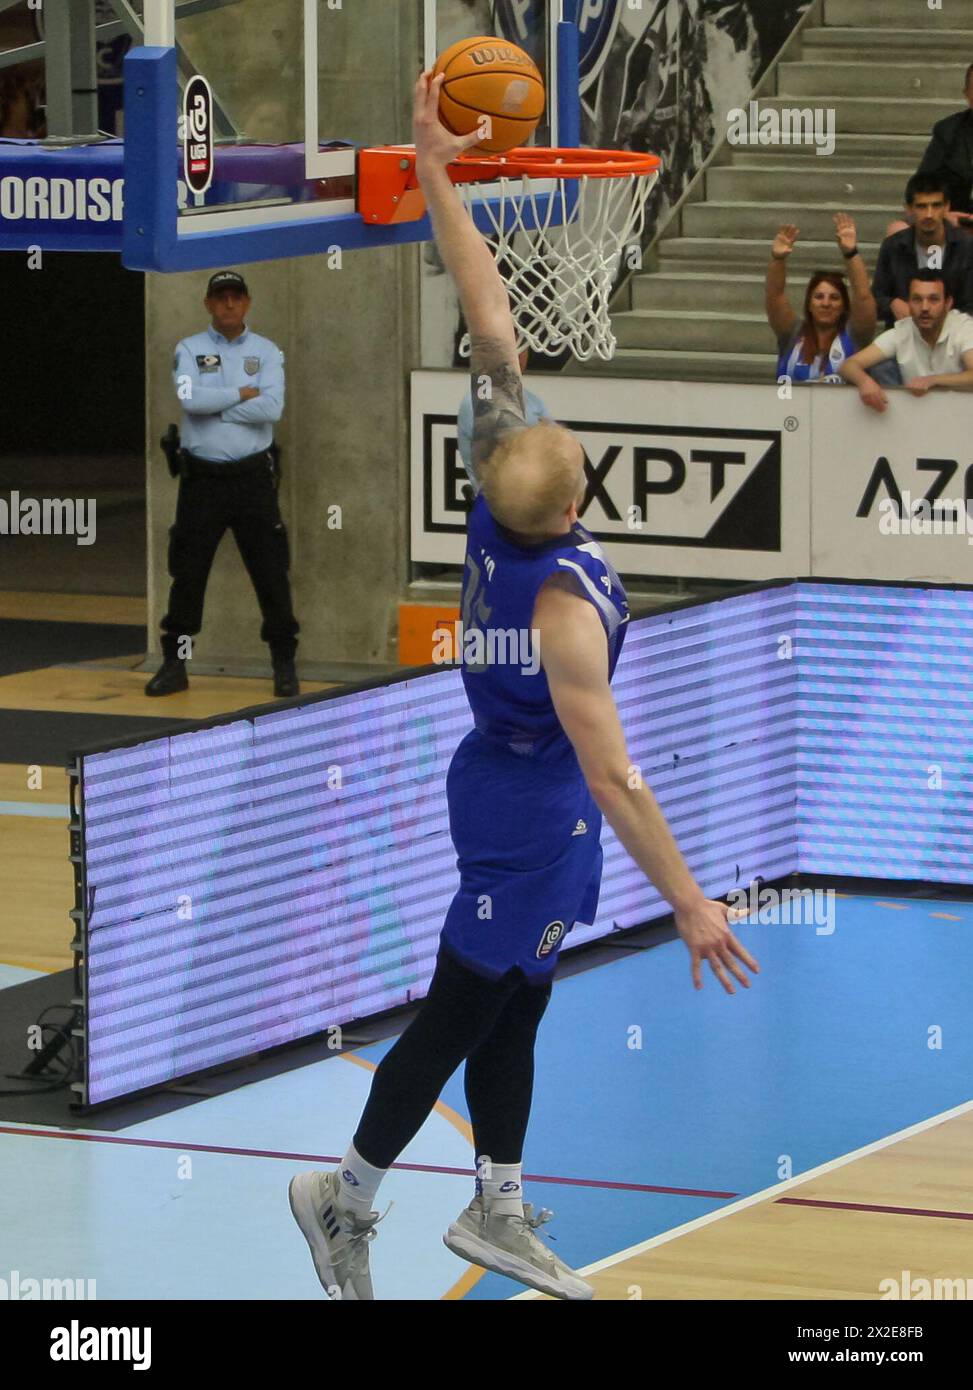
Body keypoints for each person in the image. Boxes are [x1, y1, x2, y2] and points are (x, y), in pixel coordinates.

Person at [287, 70, 759, 1303]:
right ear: (577, 504)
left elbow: (491, 312)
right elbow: (613, 772)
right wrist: (695, 904)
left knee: (521, 1008)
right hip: (524, 807)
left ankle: (496, 1200)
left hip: (527, 799)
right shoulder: (561, 615)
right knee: (456, 1014)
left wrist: (439, 170)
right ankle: (340, 1197)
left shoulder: (497, 476)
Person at [145, 271, 300, 698]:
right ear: (208, 305)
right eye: (221, 298)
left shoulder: (267, 351)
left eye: (236, 297)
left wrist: (221, 405)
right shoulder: (189, 349)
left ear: (247, 303)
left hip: (252, 479)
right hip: (203, 482)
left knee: (271, 574)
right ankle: (175, 664)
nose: (229, 305)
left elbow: (273, 406)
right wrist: (244, 393)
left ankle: (283, 664)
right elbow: (191, 401)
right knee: (188, 576)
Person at [839, 269, 973, 412]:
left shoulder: (964, 327)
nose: (925, 307)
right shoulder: (901, 332)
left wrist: (933, 380)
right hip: (913, 417)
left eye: (933, 299)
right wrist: (864, 382)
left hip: (961, 418)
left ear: (948, 303)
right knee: (881, 369)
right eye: (917, 299)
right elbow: (848, 365)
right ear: (908, 302)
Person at [766, 214, 876, 383]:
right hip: (786, 407)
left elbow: (863, 296)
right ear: (809, 304)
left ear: (844, 305)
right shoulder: (793, 333)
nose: (826, 303)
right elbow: (775, 297)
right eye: (819, 297)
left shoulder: (856, 335)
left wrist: (851, 253)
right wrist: (778, 259)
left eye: (834, 298)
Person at [872, 175, 973, 328]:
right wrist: (891, 303)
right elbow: (876, 297)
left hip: (954, 338)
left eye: (936, 205)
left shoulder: (966, 246)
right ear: (909, 209)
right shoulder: (893, 246)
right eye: (921, 206)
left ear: (947, 207)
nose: (929, 214)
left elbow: (970, 306)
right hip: (903, 336)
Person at [456, 347, 550, 487]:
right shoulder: (478, 400)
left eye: (522, 347)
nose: (517, 356)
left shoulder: (533, 401)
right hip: (492, 500)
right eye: (510, 347)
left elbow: (555, 449)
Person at [914, 63, 973, 219]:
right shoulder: (948, 131)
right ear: (966, 94)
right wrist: (944, 216)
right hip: (955, 222)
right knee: (898, 229)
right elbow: (920, 187)